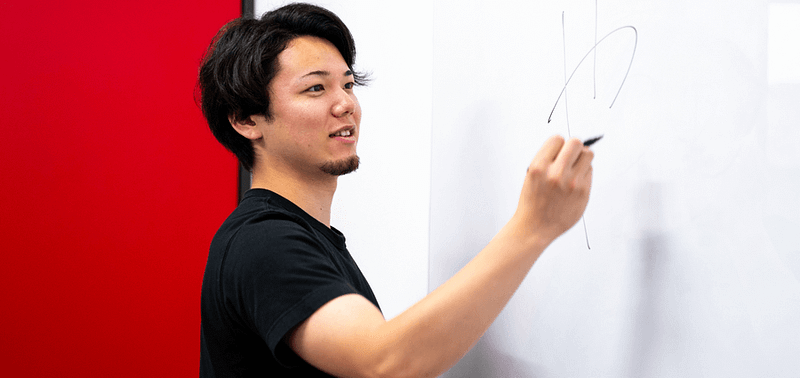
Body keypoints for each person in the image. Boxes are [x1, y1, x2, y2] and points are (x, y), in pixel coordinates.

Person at [198, 3, 594, 377]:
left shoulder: (304, 239)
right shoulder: (264, 242)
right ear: (247, 120)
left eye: (349, 85)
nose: (346, 105)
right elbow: (384, 362)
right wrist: (532, 227)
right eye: (316, 89)